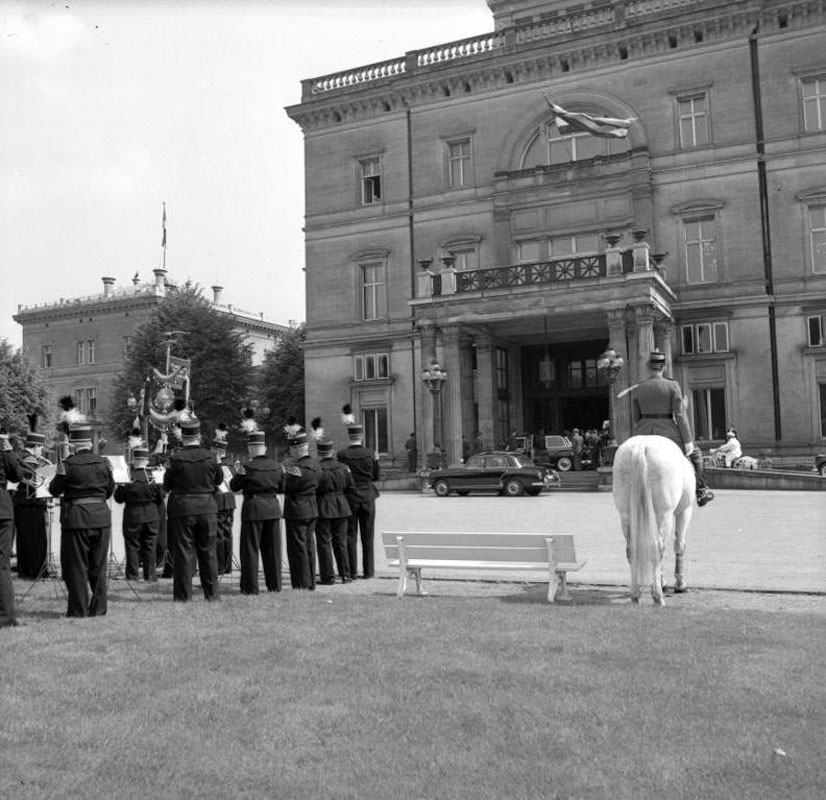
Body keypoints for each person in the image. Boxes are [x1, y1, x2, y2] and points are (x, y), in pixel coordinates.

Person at [631, 349, 714, 506]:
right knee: (696, 455)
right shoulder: (672, 385)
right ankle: (701, 491)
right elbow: (680, 416)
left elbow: (635, 418)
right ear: (664, 367)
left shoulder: (638, 388)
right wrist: (688, 441)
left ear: (648, 367)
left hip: (642, 432)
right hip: (668, 432)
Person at [48, 424, 115, 617]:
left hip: (76, 519)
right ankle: (99, 608)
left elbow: (54, 490)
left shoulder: (67, 465)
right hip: (101, 517)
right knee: (99, 566)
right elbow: (110, 491)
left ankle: (79, 609)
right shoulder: (104, 463)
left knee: (77, 566)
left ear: (73, 444)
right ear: (91, 442)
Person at [162, 416, 223, 602]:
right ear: (199, 436)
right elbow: (219, 480)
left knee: (183, 553)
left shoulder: (175, 458)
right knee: (209, 552)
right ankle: (212, 595)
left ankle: (183, 595)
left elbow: (167, 484)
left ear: (183, 437)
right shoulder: (212, 456)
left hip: (184, 508)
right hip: (207, 508)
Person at [229, 429, 284, 594]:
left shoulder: (247, 467)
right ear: (265, 448)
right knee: (273, 550)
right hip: (272, 509)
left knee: (250, 549)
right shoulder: (277, 466)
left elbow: (234, 486)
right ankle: (275, 585)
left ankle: (250, 587)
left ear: (251, 448)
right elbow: (283, 487)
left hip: (253, 508)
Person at [336, 405, 379, 580]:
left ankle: (352, 571)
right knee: (368, 536)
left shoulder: (341, 455)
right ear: (361, 436)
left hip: (350, 497)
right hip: (368, 496)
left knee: (350, 535)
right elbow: (376, 476)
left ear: (350, 436)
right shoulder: (370, 453)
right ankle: (369, 571)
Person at [113, 442, 163, 582]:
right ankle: (150, 575)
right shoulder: (152, 477)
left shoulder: (128, 476)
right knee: (150, 546)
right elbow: (160, 499)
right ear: (146, 461)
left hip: (133, 515)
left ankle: (133, 575)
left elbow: (118, 499)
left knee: (132, 546)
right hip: (151, 515)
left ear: (134, 460)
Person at [282, 428, 320, 590]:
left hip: (297, 510)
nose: (291, 453)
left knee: (298, 548)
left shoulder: (295, 469)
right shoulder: (315, 465)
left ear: (297, 448)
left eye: (292, 449)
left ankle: (301, 583)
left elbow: (285, 487)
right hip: (312, 508)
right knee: (309, 546)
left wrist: (284, 473)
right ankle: (310, 582)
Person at [13, 418, 49, 579]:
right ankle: (36, 571)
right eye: (40, 447)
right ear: (35, 447)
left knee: (23, 540)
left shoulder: (20, 456)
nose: (41, 451)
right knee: (35, 539)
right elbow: (36, 482)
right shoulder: (30, 460)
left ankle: (25, 570)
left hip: (21, 504)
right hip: (32, 504)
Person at [315, 436, 353, 584]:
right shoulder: (344, 467)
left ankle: (328, 576)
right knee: (341, 541)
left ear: (319, 452)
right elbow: (351, 486)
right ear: (332, 451)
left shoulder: (317, 468)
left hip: (323, 505)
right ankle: (345, 574)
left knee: (324, 542)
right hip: (341, 505)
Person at [0, 429, 23, 627]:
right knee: (2, 563)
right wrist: (8, 452)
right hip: (1, 507)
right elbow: (17, 475)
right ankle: (6, 614)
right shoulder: (3, 449)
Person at [211, 424, 236, 575]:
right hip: (229, 502)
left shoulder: (217, 465)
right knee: (228, 534)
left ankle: (220, 566)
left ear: (217, 450)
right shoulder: (232, 464)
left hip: (219, 502)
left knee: (219, 535)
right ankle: (227, 566)